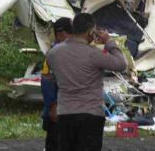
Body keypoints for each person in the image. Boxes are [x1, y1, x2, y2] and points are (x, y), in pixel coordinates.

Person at [47, 13, 127, 151]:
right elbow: (121, 64)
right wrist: (109, 42)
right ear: (90, 32)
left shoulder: (53, 53)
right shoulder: (93, 54)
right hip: (90, 114)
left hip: (65, 113)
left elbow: (51, 78)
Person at [41, 17, 73, 151]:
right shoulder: (52, 55)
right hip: (58, 109)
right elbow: (46, 82)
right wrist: (53, 106)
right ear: (60, 35)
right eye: (69, 34)